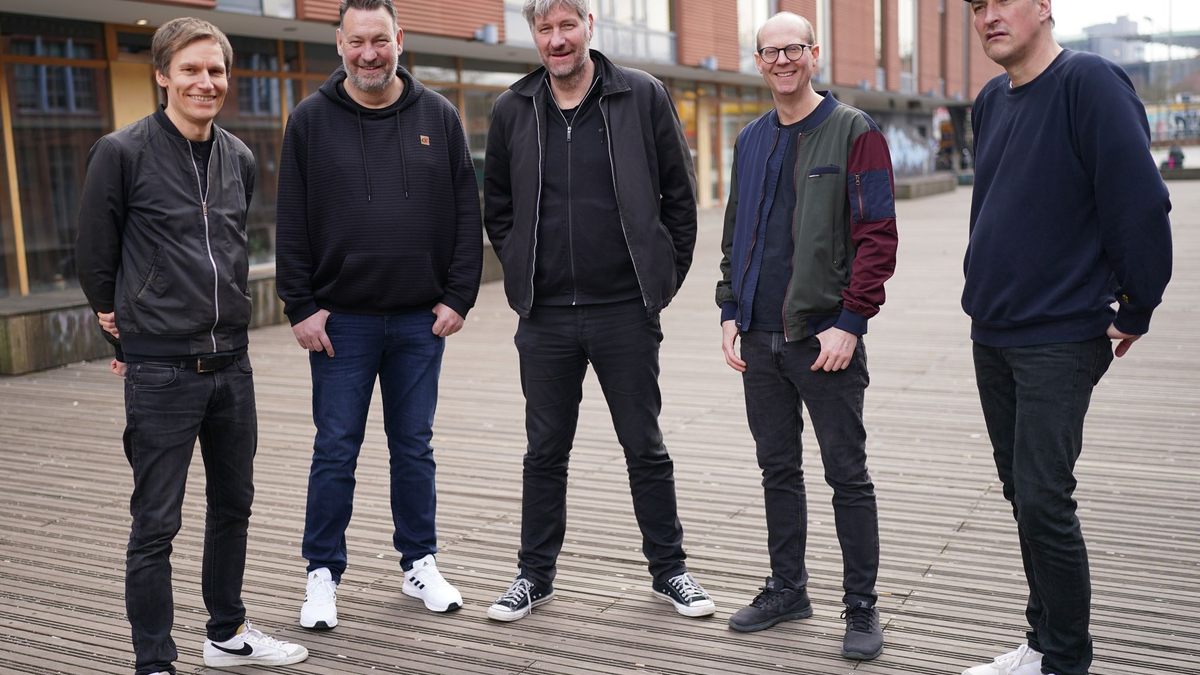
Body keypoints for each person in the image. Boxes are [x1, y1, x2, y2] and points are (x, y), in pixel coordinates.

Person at [75, 17, 308, 674]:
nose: (206, 82)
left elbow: (229, 250)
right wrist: (117, 328)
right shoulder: (120, 153)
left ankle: (227, 631)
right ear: (162, 76)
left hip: (233, 364)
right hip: (161, 373)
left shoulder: (238, 156)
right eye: (191, 70)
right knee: (156, 524)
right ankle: (154, 660)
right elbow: (95, 257)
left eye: (216, 71)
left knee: (234, 503)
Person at [960, 2, 1173, 674]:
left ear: (1045, 7)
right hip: (993, 327)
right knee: (1022, 492)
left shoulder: (1091, 83)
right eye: (976, 7)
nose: (988, 16)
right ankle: (1042, 639)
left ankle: (1066, 660)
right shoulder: (991, 100)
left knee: (1045, 496)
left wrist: (1136, 306)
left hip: (1060, 331)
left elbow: (1139, 201)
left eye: (1002, 2)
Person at [482, 0, 711, 622]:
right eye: (545, 29)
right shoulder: (511, 107)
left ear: (589, 26)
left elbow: (679, 199)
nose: (557, 40)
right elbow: (497, 207)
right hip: (547, 315)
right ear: (533, 34)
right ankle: (533, 576)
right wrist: (522, 269)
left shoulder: (642, 95)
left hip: (624, 310)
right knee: (544, 451)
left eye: (568, 25)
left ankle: (671, 572)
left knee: (645, 446)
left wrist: (659, 280)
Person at [275, 0, 483, 630]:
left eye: (381, 40)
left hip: (421, 321)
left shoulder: (438, 116)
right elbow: (290, 221)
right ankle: (321, 575)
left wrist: (459, 295)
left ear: (401, 40)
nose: (370, 53)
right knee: (335, 449)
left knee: (413, 447)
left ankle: (419, 561)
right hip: (342, 325)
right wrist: (301, 306)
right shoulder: (309, 121)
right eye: (357, 41)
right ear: (339, 44)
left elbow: (466, 214)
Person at [715, 11, 898, 662]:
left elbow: (878, 238)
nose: (784, 60)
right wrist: (728, 309)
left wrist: (851, 322)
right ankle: (788, 588)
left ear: (814, 55)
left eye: (794, 48)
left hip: (824, 339)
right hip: (759, 337)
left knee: (846, 475)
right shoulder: (750, 139)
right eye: (771, 52)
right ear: (759, 63)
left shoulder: (855, 132)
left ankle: (862, 607)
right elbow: (737, 232)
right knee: (777, 470)